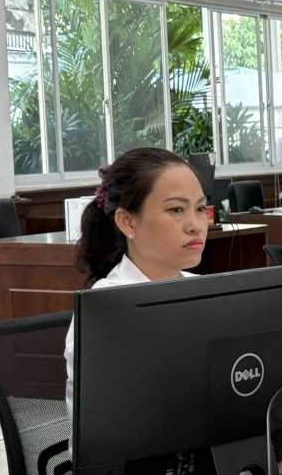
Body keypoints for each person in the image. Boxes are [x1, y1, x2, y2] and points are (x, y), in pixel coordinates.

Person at [65, 147, 209, 411]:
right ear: (127, 222)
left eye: (200, 208)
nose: (196, 225)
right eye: (177, 210)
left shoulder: (202, 289)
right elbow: (116, 419)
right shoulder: (107, 306)